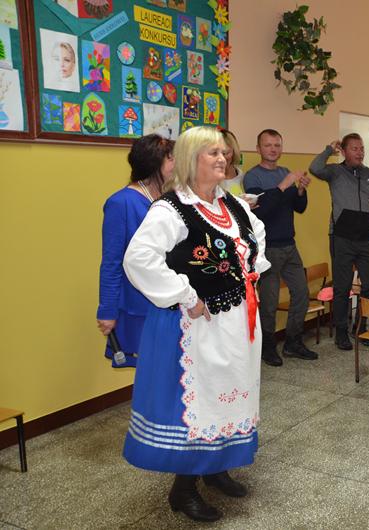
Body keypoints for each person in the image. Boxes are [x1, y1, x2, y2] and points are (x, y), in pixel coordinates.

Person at [122, 126, 269, 522]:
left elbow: (255, 239)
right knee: (202, 401)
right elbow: (138, 259)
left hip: (237, 323)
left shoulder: (232, 205)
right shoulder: (170, 210)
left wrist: (251, 270)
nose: (223, 158)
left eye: (224, 152)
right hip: (199, 326)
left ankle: (216, 467)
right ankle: (183, 489)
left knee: (230, 392)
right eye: (212, 153)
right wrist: (186, 295)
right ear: (191, 159)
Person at [97, 134, 175, 368]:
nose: (178, 165)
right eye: (171, 159)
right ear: (153, 162)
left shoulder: (170, 199)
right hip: (139, 304)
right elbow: (111, 261)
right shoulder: (121, 203)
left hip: (172, 298)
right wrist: (107, 310)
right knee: (153, 371)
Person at [244, 129, 317, 366]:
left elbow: (299, 207)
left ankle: (293, 342)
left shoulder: (285, 171)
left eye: (277, 145)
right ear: (258, 149)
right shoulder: (253, 177)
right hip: (267, 249)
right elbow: (261, 213)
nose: (273, 149)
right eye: (268, 145)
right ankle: (268, 348)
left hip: (289, 245)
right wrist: (284, 186)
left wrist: (301, 190)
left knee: (301, 294)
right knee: (269, 302)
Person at [309, 133, 369, 351]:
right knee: (342, 287)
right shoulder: (335, 172)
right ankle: (341, 332)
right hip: (341, 238)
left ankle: (361, 327)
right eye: (354, 148)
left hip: (364, 239)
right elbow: (314, 168)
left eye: (362, 148)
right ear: (343, 152)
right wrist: (328, 150)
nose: (360, 152)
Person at [218, 129, 257, 209]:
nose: (222, 158)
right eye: (215, 153)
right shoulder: (209, 179)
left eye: (226, 153)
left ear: (234, 151)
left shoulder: (241, 175)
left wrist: (247, 206)